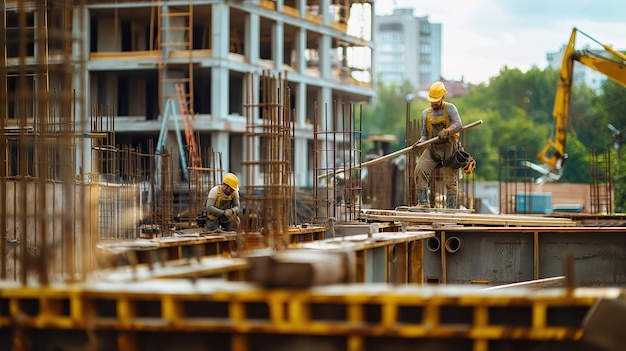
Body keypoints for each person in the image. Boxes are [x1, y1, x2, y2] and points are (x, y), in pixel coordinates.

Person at [413, 81, 463, 209]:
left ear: (443, 98)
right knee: (420, 170)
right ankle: (423, 203)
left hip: (449, 149)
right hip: (434, 149)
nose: (434, 104)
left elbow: (458, 124)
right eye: (432, 101)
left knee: (450, 180)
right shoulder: (426, 114)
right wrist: (420, 142)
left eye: (437, 101)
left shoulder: (450, 108)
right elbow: (424, 133)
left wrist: (447, 131)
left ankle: (450, 209)